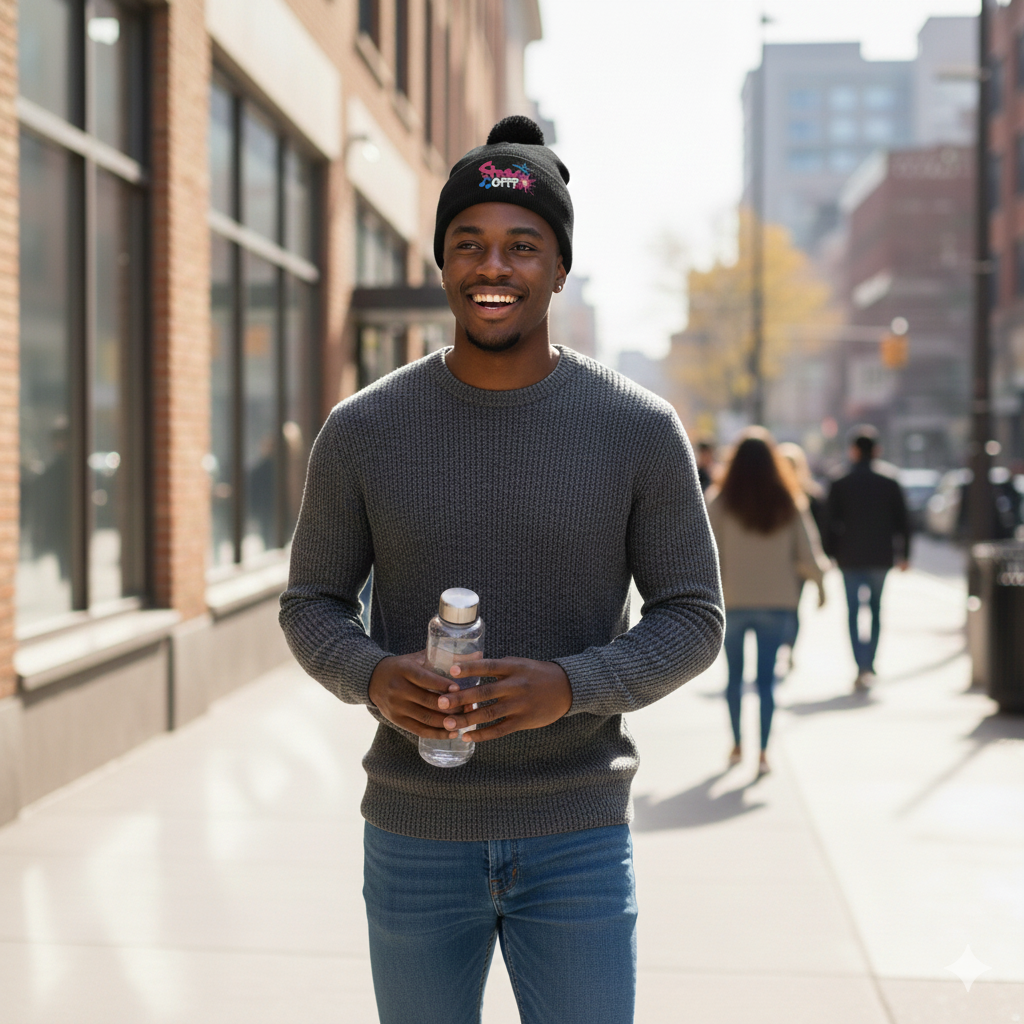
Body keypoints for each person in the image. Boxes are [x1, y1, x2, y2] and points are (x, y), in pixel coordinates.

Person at [279, 116, 724, 1024]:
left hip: (578, 833)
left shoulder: (638, 429)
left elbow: (693, 614)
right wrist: (373, 675)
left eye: (523, 246)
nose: (494, 266)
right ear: (443, 262)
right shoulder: (363, 429)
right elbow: (311, 601)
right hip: (414, 830)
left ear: (559, 268)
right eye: (469, 243)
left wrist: (572, 686)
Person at [706, 428, 828, 775]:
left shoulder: (719, 501)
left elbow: (705, 554)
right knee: (765, 682)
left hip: (731, 602)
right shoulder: (788, 500)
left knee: (733, 679)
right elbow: (808, 552)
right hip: (777, 602)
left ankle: (736, 745)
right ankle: (762, 753)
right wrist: (821, 586)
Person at [823, 425, 911, 692]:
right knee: (875, 610)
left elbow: (828, 523)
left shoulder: (840, 481)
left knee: (852, 612)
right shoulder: (890, 480)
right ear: (877, 450)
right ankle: (869, 662)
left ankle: (860, 664)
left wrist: (830, 553)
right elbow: (904, 521)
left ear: (853, 450)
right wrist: (905, 554)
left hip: (849, 557)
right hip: (880, 556)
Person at [776, 441, 828, 664]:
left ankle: (788, 646)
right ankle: (785, 646)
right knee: (787, 607)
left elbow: (820, 532)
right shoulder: (774, 495)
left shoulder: (811, 496)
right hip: (786, 562)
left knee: (789, 607)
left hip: (797, 563)